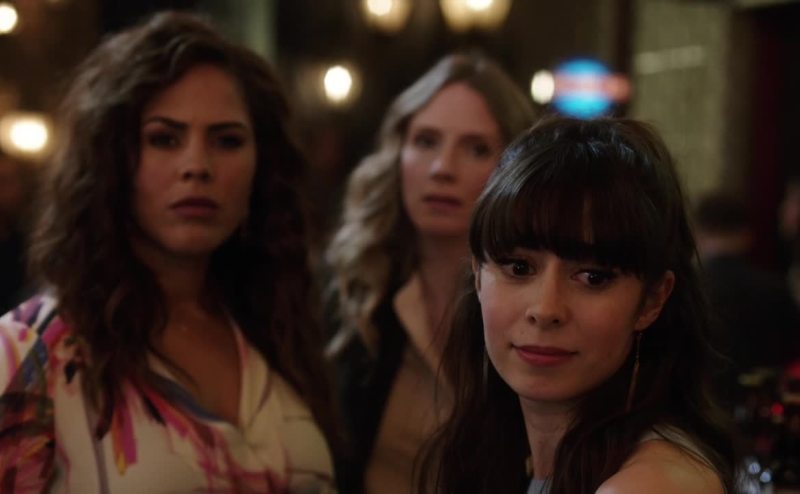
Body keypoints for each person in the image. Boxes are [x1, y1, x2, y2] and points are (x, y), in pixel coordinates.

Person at [0, 11, 337, 492]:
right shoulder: (32, 349)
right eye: (164, 139)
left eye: (227, 140)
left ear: (261, 166)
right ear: (112, 160)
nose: (197, 165)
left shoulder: (277, 330)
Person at [421, 117, 737, 493]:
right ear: (478, 275)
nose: (545, 309)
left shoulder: (647, 484)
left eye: (593, 277)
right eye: (519, 268)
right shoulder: (506, 453)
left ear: (652, 300)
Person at [325, 53, 535, 493]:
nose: (442, 168)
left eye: (476, 148)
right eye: (425, 141)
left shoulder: (538, 309)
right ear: (397, 153)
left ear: (514, 168)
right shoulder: (353, 292)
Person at [694, 191, 799, 396]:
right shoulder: (774, 288)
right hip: (761, 402)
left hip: (703, 402)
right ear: (747, 235)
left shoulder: (690, 288)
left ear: (699, 233)